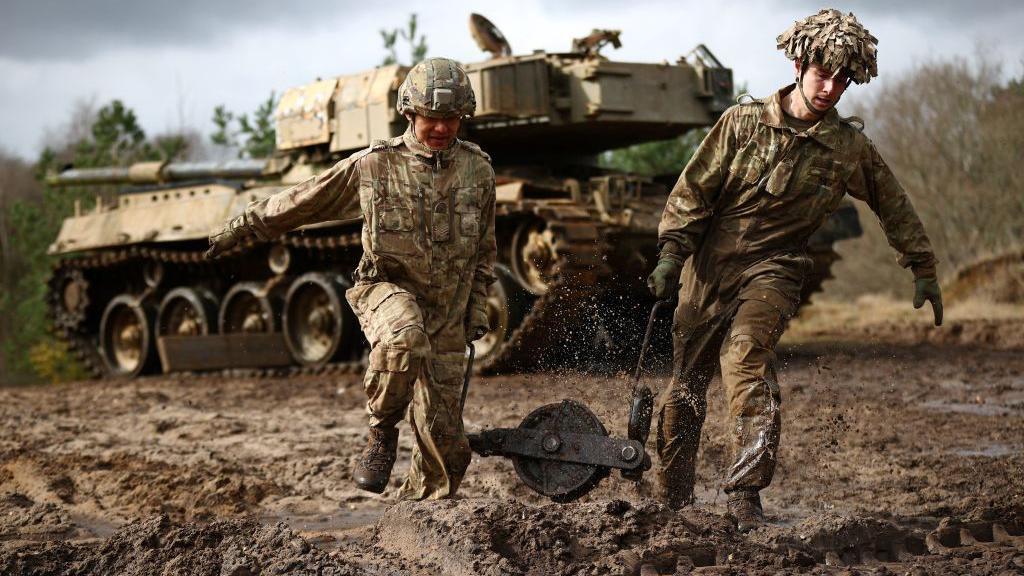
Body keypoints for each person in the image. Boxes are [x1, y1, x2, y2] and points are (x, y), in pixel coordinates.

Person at [646, 9, 942, 532]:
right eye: (822, 74)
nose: (830, 88)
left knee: (746, 362)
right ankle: (672, 500)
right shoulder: (742, 123)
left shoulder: (848, 147)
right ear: (800, 65)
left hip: (777, 268)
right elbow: (693, 191)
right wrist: (672, 253)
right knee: (686, 383)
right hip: (711, 268)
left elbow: (893, 204)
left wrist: (921, 266)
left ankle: (744, 495)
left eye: (842, 80)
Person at [206, 57, 496, 500]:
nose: (441, 128)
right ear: (409, 113)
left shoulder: (479, 170)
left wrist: (476, 306)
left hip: (448, 308)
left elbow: (484, 251)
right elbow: (305, 199)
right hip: (385, 289)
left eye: (451, 119)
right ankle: (381, 436)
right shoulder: (376, 166)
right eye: (432, 118)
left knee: (446, 448)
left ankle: (421, 513)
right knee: (404, 337)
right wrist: (243, 227)